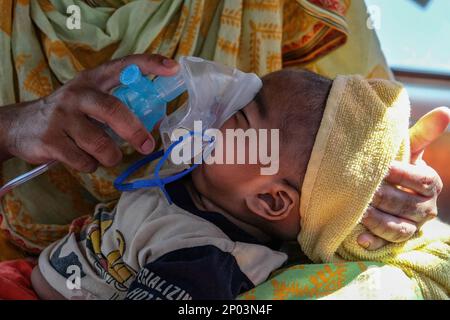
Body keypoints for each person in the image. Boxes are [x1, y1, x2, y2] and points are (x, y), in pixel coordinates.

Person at [28, 68, 450, 300]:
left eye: (242, 116)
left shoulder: (208, 261)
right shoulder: (190, 178)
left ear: (270, 199)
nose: (220, 106)